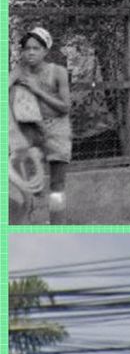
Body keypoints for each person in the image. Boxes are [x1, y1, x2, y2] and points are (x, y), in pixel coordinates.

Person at [10, 26, 72, 222]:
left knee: (57, 186)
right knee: (26, 186)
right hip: (30, 131)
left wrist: (38, 90)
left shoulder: (58, 72)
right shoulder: (20, 71)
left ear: (46, 51)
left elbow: (65, 107)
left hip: (57, 132)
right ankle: (23, 227)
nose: (31, 52)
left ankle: (57, 228)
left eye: (36, 48)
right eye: (27, 48)